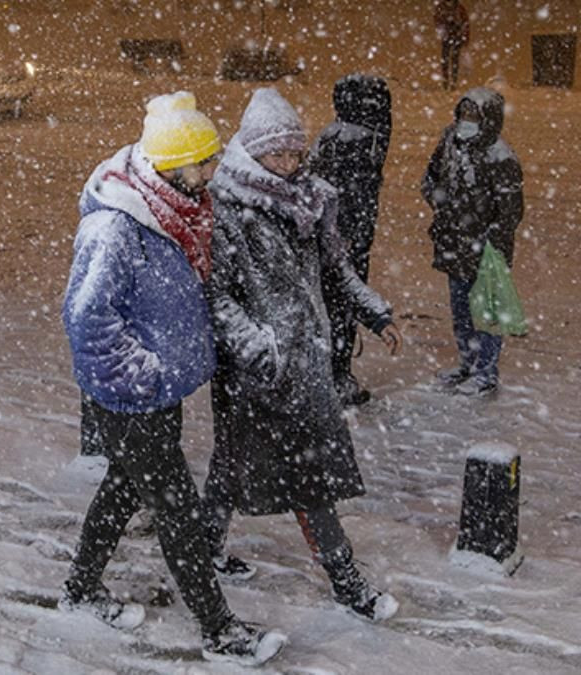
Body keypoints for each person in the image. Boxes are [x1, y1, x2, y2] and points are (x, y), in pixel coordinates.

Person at [60, 90, 285, 667]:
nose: (212, 171)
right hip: (130, 394)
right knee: (177, 507)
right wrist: (141, 373)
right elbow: (87, 317)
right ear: (169, 165)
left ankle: (81, 588)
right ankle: (218, 630)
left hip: (159, 388)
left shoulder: (176, 209)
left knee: (124, 486)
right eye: (203, 162)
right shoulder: (117, 226)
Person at [202, 87, 403, 622]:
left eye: (295, 153)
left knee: (244, 464)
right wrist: (258, 347)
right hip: (258, 371)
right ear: (251, 151)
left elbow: (338, 268)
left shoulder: (309, 200)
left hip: (305, 362)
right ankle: (346, 581)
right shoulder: (229, 210)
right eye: (278, 153)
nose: (289, 164)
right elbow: (215, 295)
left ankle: (206, 545)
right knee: (292, 474)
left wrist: (374, 312)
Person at [421, 87, 524, 396]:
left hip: (485, 252)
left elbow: (510, 211)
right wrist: (440, 202)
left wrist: (490, 243)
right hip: (454, 243)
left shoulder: (501, 156)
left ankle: (486, 371)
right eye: (463, 114)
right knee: (461, 310)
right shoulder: (451, 140)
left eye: (474, 116)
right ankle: (467, 362)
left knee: (487, 314)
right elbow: (431, 175)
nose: (467, 121)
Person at [309, 74, 392, 407]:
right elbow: (353, 198)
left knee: (332, 308)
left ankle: (331, 373)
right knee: (342, 310)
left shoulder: (331, 136)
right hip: (344, 242)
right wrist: (351, 239)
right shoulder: (365, 141)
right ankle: (338, 376)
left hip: (330, 238)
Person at [434, 0, 470, 89]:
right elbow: (465, 22)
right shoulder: (452, 7)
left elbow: (465, 22)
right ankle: (448, 81)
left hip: (454, 35)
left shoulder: (455, 7)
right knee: (449, 59)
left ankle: (450, 81)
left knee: (451, 59)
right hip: (451, 35)